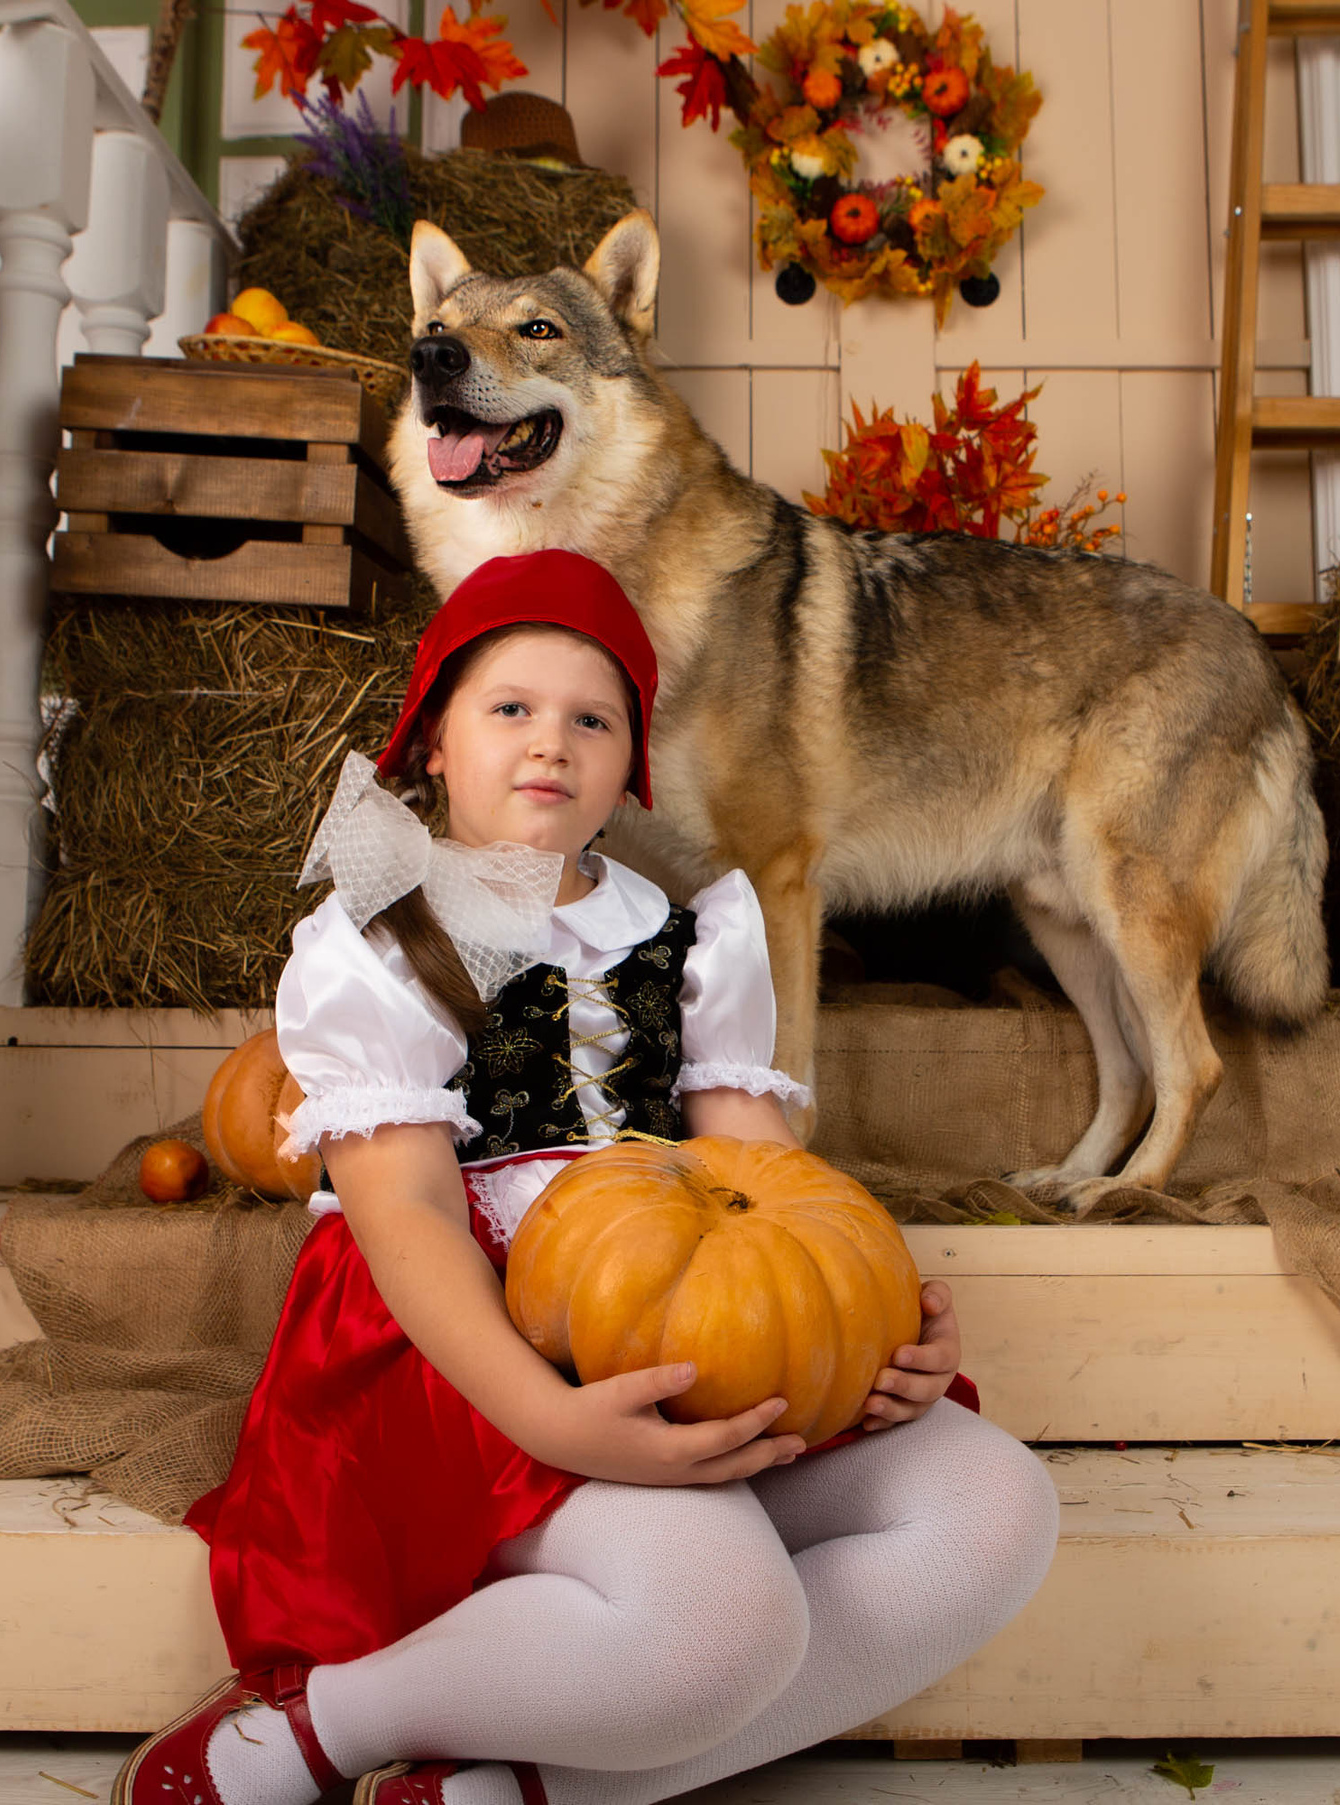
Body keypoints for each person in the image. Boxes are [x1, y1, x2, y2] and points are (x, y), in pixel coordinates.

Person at [117, 550, 1061, 1805]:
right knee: (725, 1618)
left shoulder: (687, 933)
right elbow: (405, 1212)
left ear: (629, 769)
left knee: (994, 1508)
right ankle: (323, 1722)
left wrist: (872, 1317)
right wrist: (550, 1418)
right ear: (433, 739)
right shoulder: (379, 941)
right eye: (510, 706)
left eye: (592, 719)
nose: (550, 741)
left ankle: (515, 1787)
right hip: (469, 1350)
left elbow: (760, 1168)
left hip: (677, 1315)